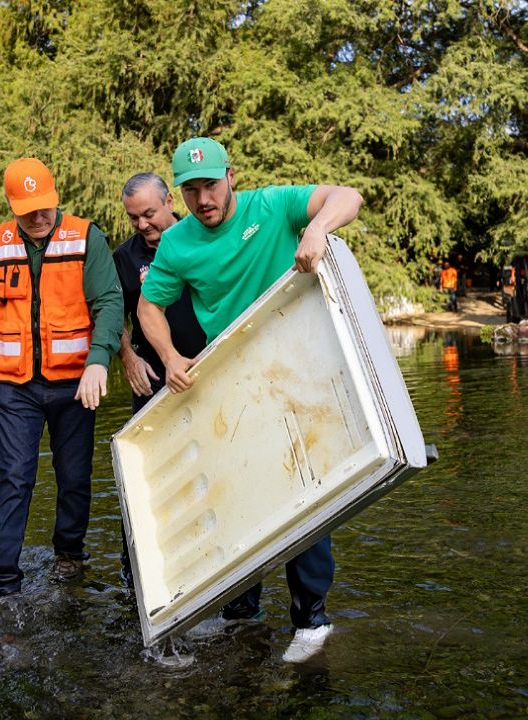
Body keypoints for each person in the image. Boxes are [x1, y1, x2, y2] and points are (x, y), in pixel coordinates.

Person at [137, 136, 363, 662]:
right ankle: (242, 613)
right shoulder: (177, 244)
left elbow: (348, 196)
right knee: (237, 490)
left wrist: (316, 228)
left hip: (296, 363)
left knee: (304, 486)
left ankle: (312, 620)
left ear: (231, 177)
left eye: (211, 185)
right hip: (231, 378)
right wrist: (169, 357)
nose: (203, 199)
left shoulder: (273, 205)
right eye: (191, 191)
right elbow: (149, 308)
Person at [0, 157, 124, 598]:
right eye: (28, 211)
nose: (39, 217)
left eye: (45, 206)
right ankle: (4, 579)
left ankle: (70, 555)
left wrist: (99, 359)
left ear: (55, 197)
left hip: (76, 382)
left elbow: (109, 302)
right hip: (14, 385)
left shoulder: (87, 237)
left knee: (74, 476)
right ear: (11, 206)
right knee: (14, 476)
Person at [111, 172, 207, 586]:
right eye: (133, 218)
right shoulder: (125, 258)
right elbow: (113, 314)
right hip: (152, 379)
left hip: (207, 369)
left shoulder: (202, 236)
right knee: (150, 475)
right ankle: (137, 573)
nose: (142, 224)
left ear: (170, 201)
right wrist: (128, 357)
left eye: (149, 213)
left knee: (206, 463)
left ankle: (207, 562)